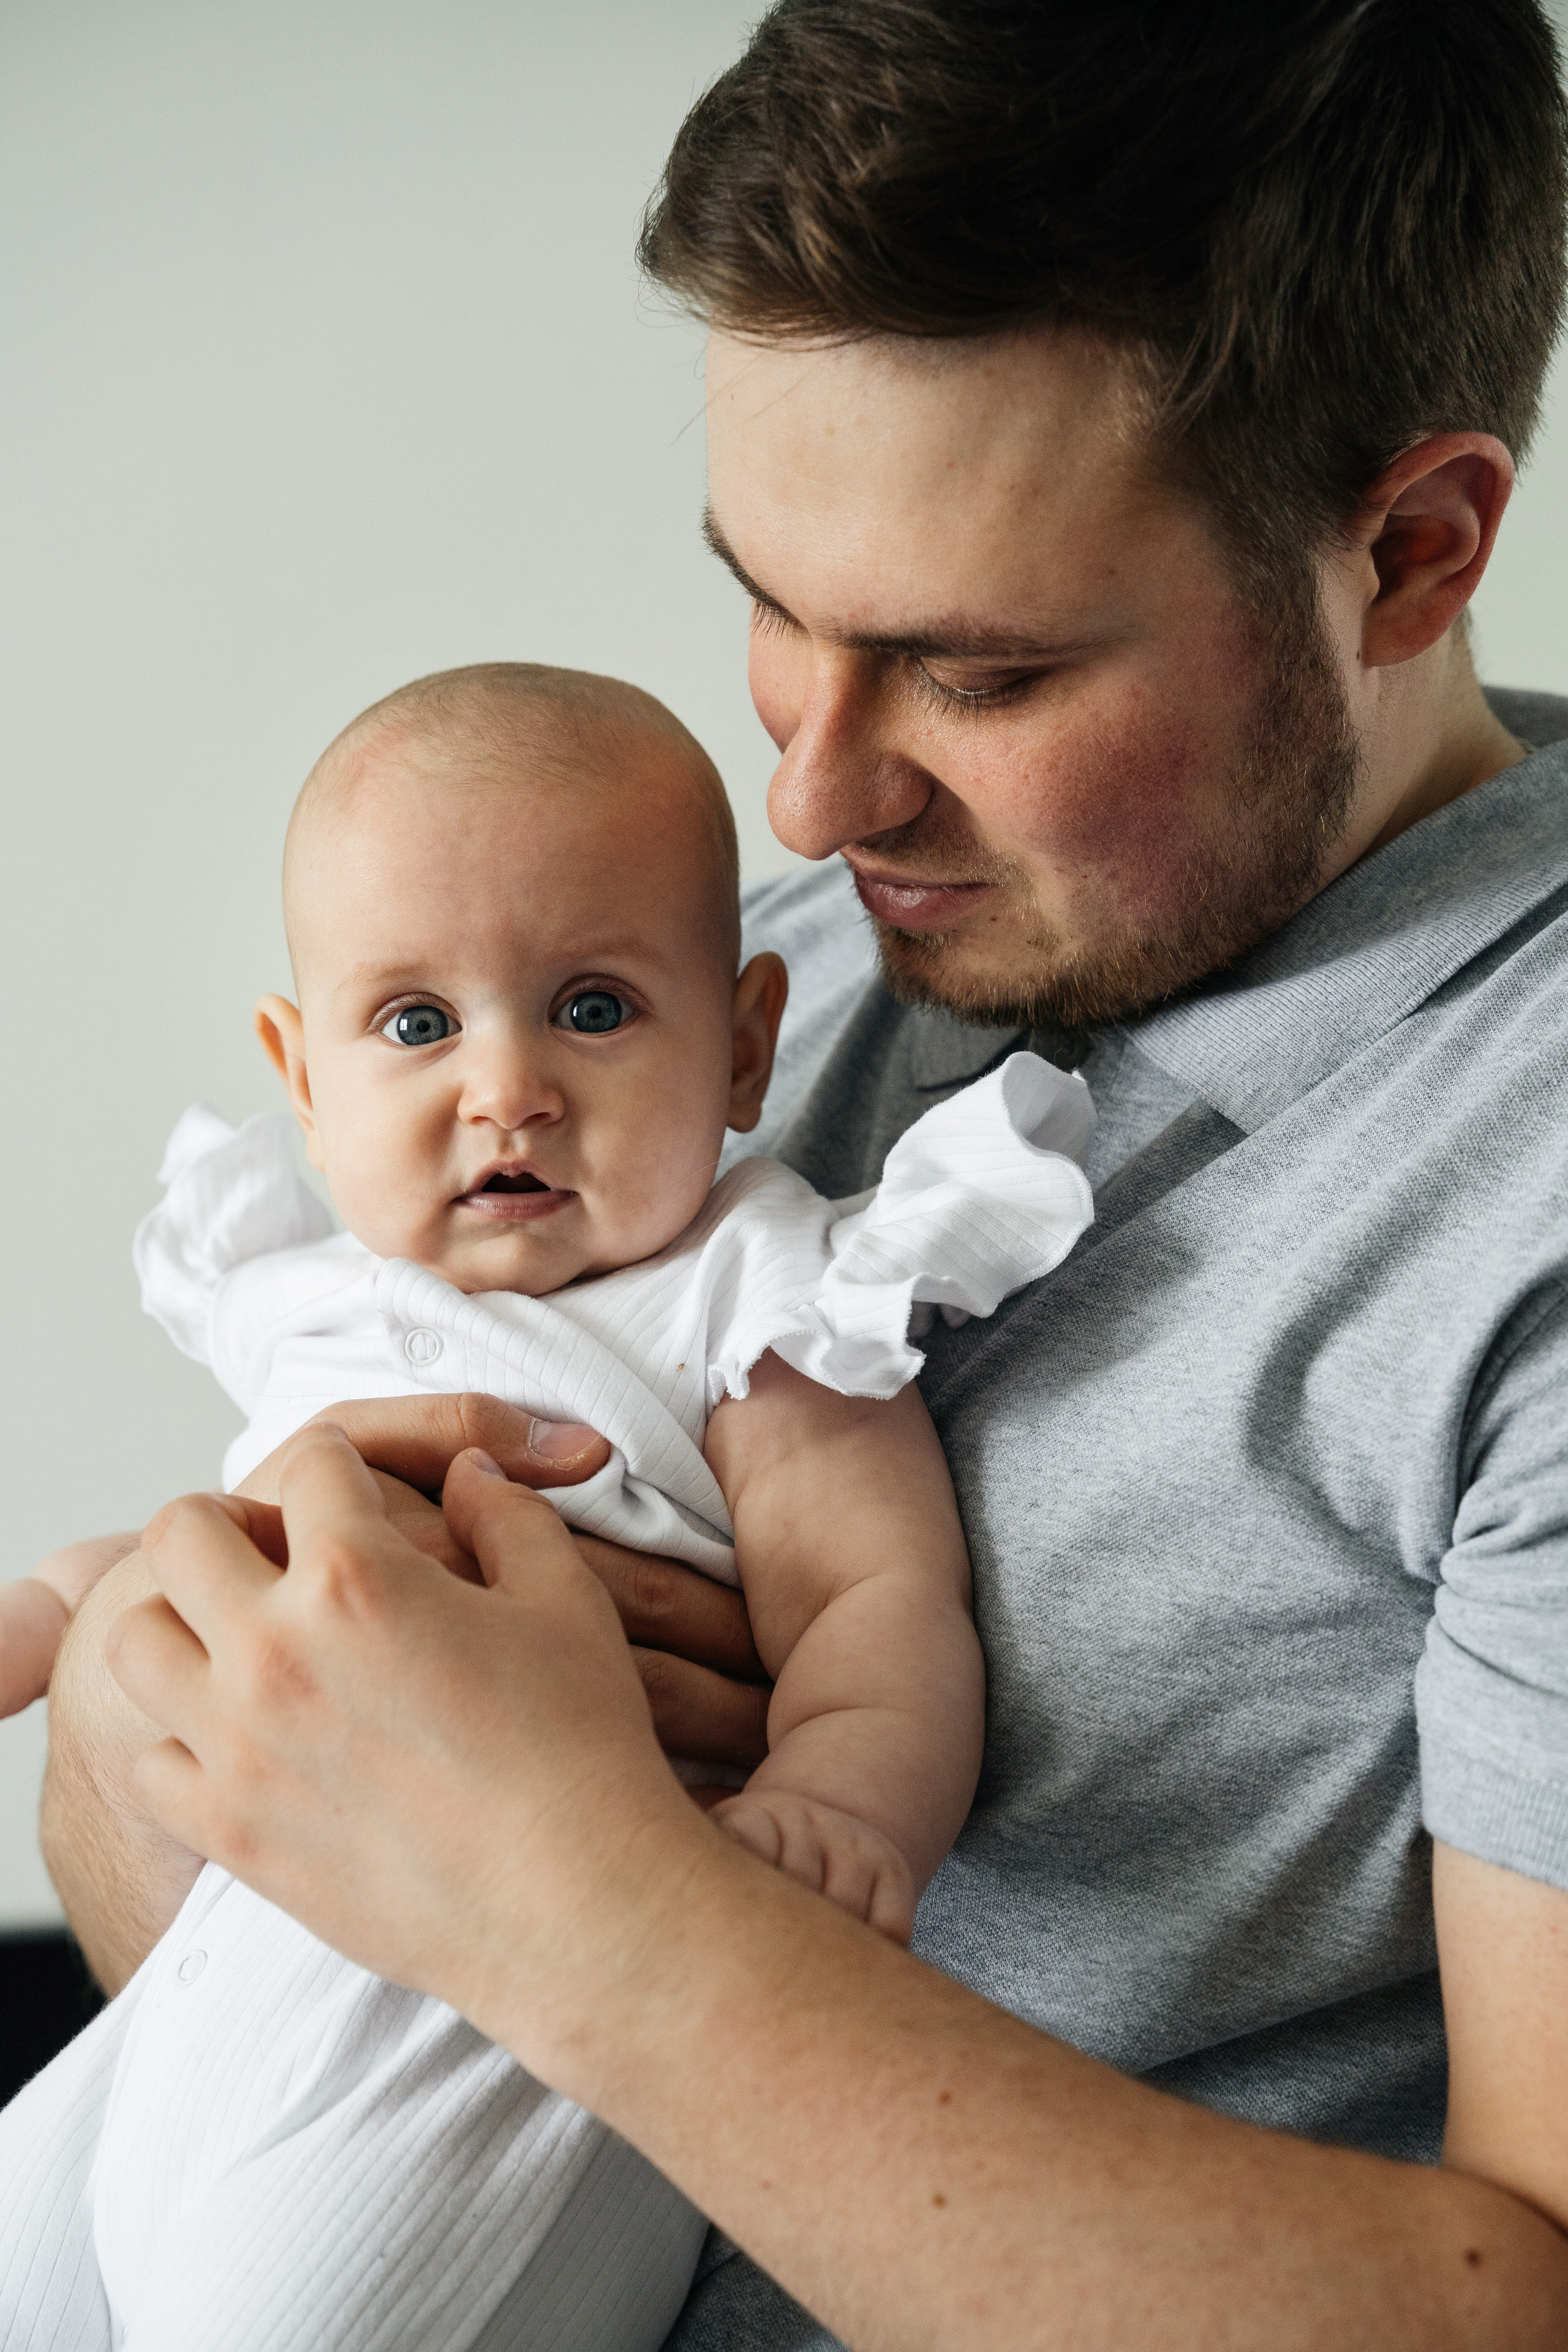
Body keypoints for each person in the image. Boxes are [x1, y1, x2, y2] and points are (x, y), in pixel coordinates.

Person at [37, 0, 1568, 2343]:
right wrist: (162, 1751)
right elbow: (228, 1955)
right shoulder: (721, 979)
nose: (813, 799)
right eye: (768, 598)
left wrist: (568, 1905)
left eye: (980, 671)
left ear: (1414, 550)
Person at [0, 659, 1103, 2348]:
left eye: (592, 1009)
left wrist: (841, 1809)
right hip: (214, 1987)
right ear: (303, 1080)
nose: (506, 1087)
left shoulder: (753, 1299)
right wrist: (53, 1617)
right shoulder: (311, 1305)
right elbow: (191, 1557)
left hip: (520, 2037)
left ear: (743, 1046)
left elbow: (876, 1603)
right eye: (416, 1025)